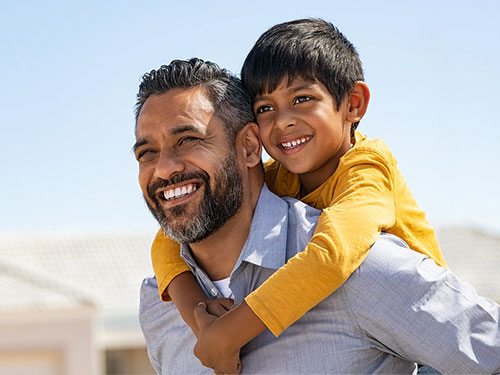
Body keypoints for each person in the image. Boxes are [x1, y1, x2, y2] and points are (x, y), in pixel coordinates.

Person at [135, 58, 500, 374]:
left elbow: (334, 255)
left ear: (248, 146)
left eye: (188, 140)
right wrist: (194, 310)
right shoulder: (158, 303)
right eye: (146, 152)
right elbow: (167, 239)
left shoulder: (362, 264)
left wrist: (228, 332)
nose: (164, 169)